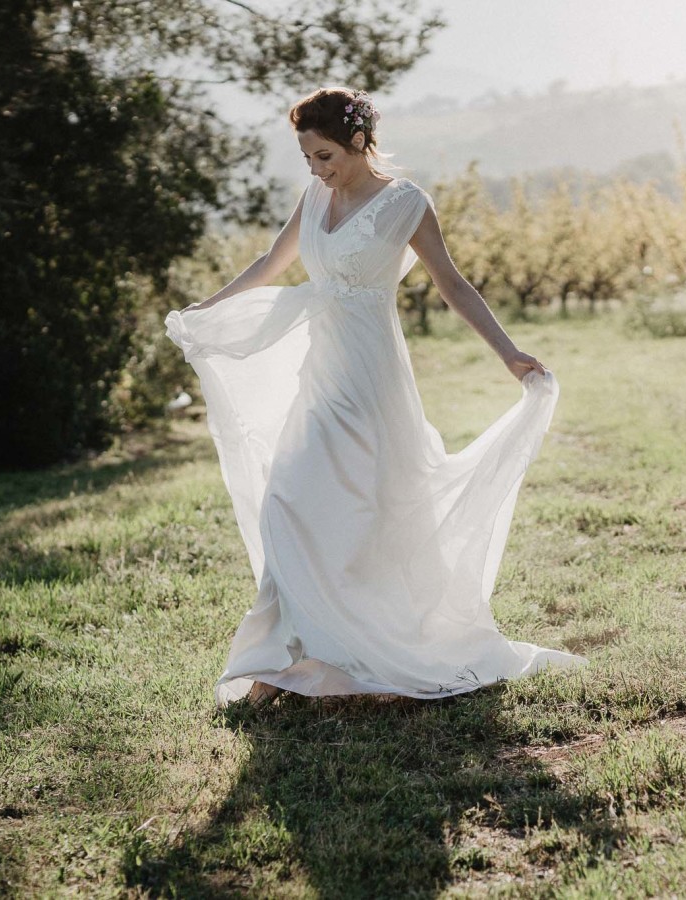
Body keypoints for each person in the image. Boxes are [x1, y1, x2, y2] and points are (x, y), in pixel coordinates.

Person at [165, 87, 587, 708]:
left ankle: (329, 658)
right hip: (320, 371)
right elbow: (270, 262)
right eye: (309, 158)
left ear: (360, 141)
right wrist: (208, 309)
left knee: (364, 510)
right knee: (287, 500)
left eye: (326, 155)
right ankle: (285, 659)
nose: (318, 169)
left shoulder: (405, 203)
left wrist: (508, 352)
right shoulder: (314, 196)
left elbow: (452, 282)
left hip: (369, 378)